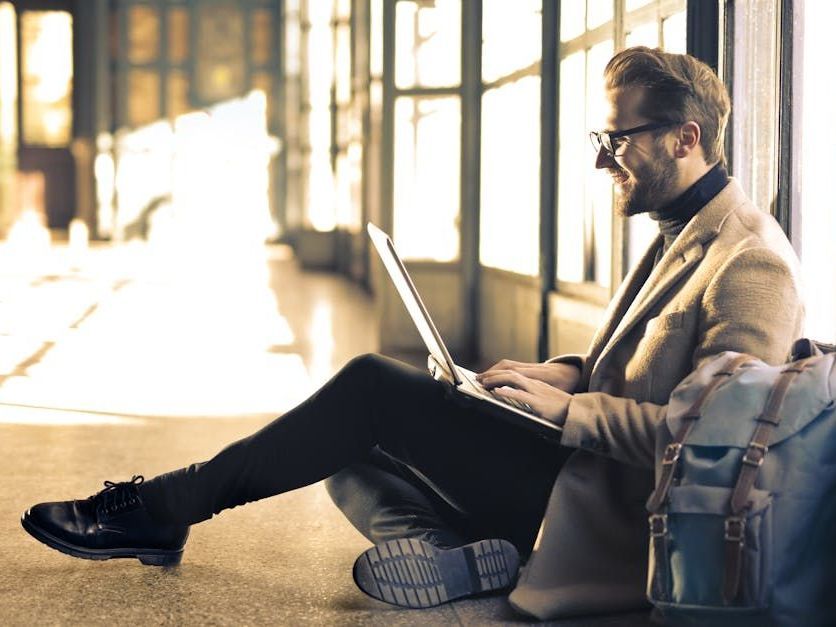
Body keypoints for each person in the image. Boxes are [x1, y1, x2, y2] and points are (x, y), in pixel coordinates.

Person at [20, 47, 804, 620]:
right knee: (340, 454)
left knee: (368, 388)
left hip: (605, 513)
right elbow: (639, 367)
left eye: (618, 140)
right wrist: (560, 373)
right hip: (570, 470)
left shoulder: (749, 262)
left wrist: (565, 413)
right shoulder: (684, 227)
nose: (604, 160)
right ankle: (452, 554)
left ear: (686, 137)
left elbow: (714, 446)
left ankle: (163, 506)